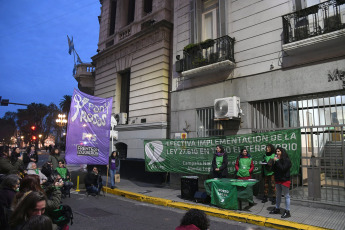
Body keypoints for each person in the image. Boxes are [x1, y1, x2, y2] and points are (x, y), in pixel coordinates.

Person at [269, 147, 292, 218]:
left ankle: (287, 211)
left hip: (284, 180)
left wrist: (278, 161)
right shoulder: (277, 160)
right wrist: (273, 162)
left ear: (282, 152)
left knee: (286, 196)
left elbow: (283, 168)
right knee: (278, 195)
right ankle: (277, 208)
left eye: (278, 151)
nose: (277, 153)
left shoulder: (286, 160)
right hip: (278, 180)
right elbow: (272, 170)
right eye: (276, 151)